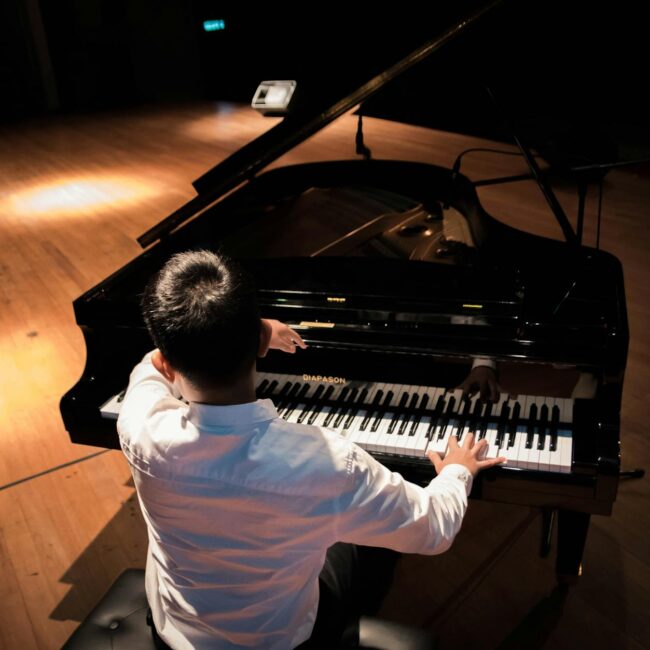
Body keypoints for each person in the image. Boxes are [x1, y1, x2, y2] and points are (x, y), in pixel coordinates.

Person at [117, 249, 506, 650]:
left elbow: (149, 367)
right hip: (282, 640)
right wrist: (457, 472)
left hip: (174, 628)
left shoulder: (140, 424)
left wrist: (255, 330)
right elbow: (433, 531)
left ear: (168, 360)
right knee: (356, 542)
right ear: (259, 345)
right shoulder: (328, 464)